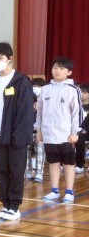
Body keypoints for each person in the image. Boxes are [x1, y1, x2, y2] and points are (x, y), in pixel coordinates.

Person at [0, 42, 33, 221]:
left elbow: (25, 112)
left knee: (16, 171)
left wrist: (19, 136)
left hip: (16, 136)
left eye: (0, 58)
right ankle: (5, 204)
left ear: (10, 58)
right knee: (1, 171)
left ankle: (15, 206)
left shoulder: (21, 81)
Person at [36, 57, 82, 204]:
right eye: (55, 67)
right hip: (48, 134)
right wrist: (38, 129)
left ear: (69, 72)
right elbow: (39, 112)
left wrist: (75, 132)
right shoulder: (45, 89)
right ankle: (54, 190)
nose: (57, 71)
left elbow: (77, 113)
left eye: (61, 68)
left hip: (66, 135)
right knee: (53, 162)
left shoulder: (73, 90)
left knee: (68, 163)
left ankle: (69, 192)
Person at [27, 77, 47, 182]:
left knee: (40, 145)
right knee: (25, 145)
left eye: (39, 86)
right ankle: (28, 170)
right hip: (29, 130)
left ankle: (39, 172)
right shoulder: (28, 99)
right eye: (34, 86)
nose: (36, 88)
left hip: (43, 132)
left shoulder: (46, 101)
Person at [74, 83, 89, 174]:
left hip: (86, 130)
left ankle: (80, 165)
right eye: (81, 92)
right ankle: (63, 163)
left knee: (80, 138)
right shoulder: (76, 105)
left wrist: (85, 129)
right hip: (75, 129)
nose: (82, 95)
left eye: (85, 93)